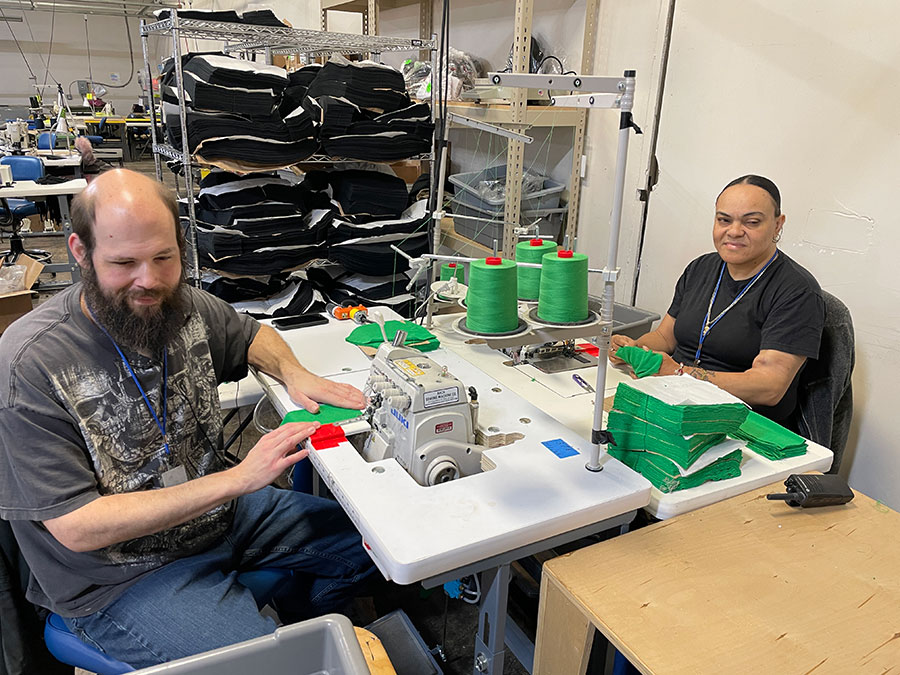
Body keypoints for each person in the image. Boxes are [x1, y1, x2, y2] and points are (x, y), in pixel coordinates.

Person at [0, 169, 376, 669]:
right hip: (124, 575)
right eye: (124, 263)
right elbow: (77, 527)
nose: (149, 281)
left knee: (384, 547)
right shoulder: (29, 363)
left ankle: (298, 618)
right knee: (287, 666)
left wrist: (293, 371)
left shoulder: (182, 307)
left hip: (221, 518)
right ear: (79, 251)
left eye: (163, 258)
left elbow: (246, 334)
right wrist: (239, 479)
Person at [609, 174, 824, 427]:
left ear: (778, 225)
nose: (734, 231)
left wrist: (679, 373)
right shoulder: (701, 268)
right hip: (672, 399)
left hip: (739, 422)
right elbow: (666, 337)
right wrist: (634, 348)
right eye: (724, 220)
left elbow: (769, 386)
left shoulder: (797, 291)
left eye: (752, 222)